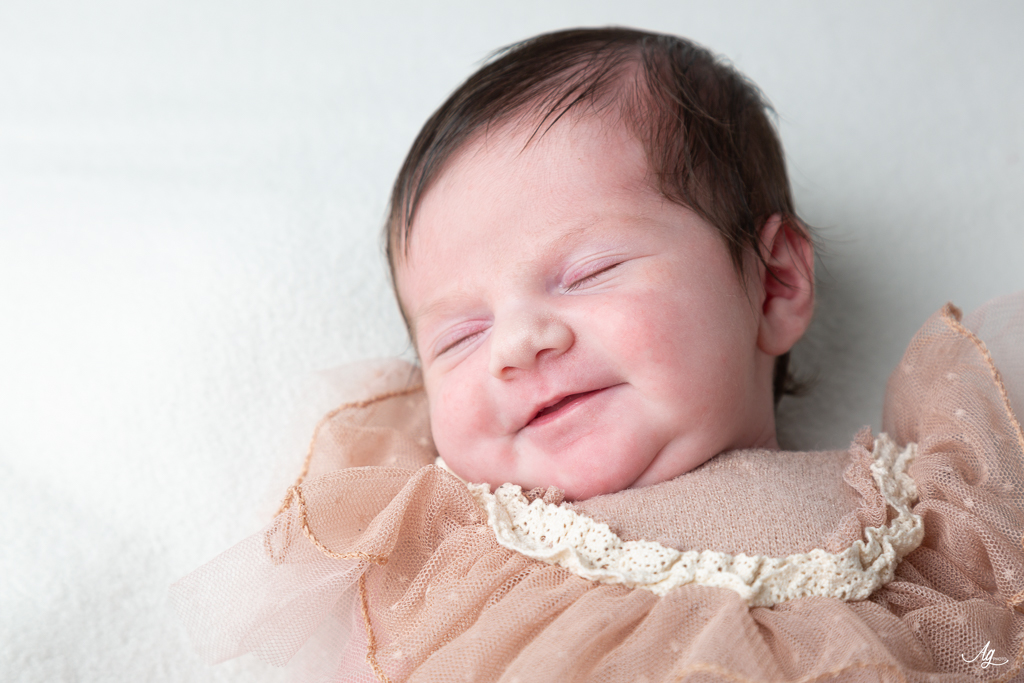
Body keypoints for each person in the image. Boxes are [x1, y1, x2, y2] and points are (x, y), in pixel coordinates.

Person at [172, 28, 1024, 682]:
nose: (516, 342)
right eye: (458, 335)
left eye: (588, 272)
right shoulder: (463, 571)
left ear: (773, 285)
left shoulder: (935, 519)